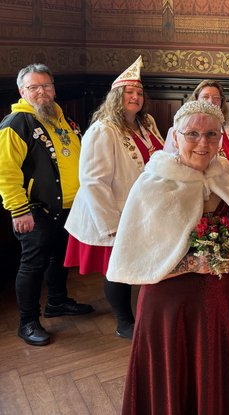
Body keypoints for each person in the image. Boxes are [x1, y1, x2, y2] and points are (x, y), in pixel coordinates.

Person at [106, 100, 229, 414]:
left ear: (222, 138)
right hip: (169, 304)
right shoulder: (153, 182)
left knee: (216, 372)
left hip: (221, 300)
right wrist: (196, 261)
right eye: (192, 134)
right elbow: (137, 254)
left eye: (211, 134)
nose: (202, 143)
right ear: (175, 137)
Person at [64, 57, 163, 339]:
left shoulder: (147, 123)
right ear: (116, 97)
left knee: (144, 265)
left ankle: (145, 316)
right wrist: (111, 224)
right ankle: (124, 322)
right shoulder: (102, 130)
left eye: (139, 93)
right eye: (129, 93)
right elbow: (93, 182)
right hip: (113, 212)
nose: (135, 97)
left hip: (143, 210)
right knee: (117, 270)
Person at [0, 63, 94, 346]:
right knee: (32, 265)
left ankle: (57, 301)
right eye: (34, 87)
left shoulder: (61, 118)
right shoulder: (15, 124)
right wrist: (19, 210)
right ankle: (27, 322)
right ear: (21, 91)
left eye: (47, 85)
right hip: (35, 209)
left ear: (54, 88)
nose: (41, 91)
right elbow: (6, 172)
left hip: (69, 207)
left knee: (59, 258)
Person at [164, 79, 229, 194]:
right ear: (196, 99)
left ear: (222, 102)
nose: (211, 101)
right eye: (205, 97)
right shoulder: (177, 130)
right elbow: (170, 167)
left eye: (216, 98)